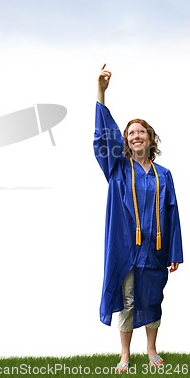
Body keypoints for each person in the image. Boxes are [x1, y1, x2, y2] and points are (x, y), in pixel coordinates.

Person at [93, 64, 183, 372]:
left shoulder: (164, 175)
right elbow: (103, 138)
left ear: (150, 138)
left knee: (152, 299)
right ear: (126, 141)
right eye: (131, 133)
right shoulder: (118, 169)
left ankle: (151, 349)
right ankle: (125, 354)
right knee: (129, 300)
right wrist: (102, 93)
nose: (136, 136)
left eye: (141, 131)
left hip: (154, 250)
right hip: (126, 249)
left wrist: (175, 252)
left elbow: (172, 213)